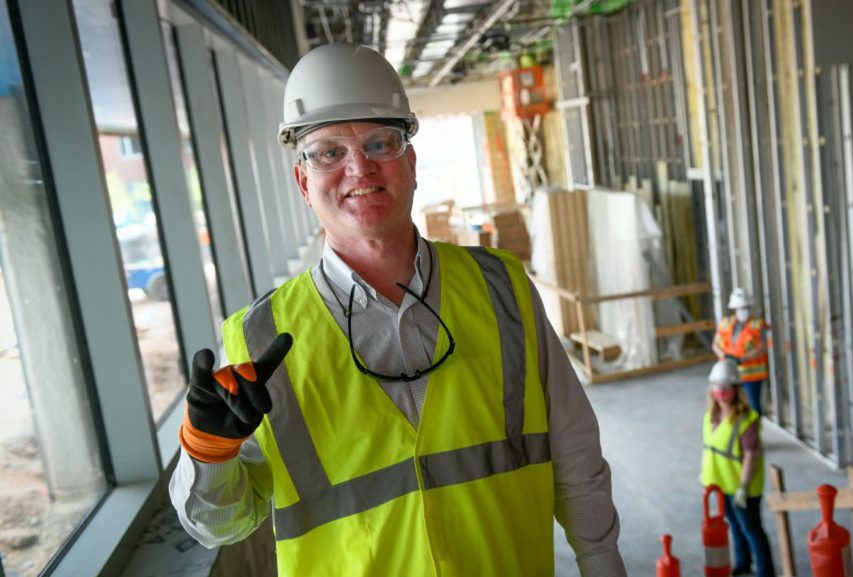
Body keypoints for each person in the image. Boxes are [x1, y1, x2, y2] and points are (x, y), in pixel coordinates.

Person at [169, 42, 626, 576]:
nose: (358, 168)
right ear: (302, 181)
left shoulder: (501, 288)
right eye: (328, 152)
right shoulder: (258, 338)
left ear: (410, 163)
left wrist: (602, 561)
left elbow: (574, 448)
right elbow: (222, 525)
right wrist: (207, 451)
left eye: (379, 143)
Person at [701, 360, 775, 577]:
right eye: (718, 387)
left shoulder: (745, 420)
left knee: (752, 530)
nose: (722, 392)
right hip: (722, 485)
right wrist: (705, 476)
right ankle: (743, 562)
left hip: (743, 487)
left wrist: (743, 487)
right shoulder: (710, 416)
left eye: (727, 387)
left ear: (736, 389)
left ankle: (765, 571)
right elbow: (710, 450)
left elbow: (752, 456)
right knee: (734, 526)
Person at [713, 287, 769, 416]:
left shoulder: (757, 325)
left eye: (746, 307)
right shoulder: (725, 324)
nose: (744, 311)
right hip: (730, 374)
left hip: (752, 375)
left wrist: (742, 359)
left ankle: (754, 432)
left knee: (754, 405)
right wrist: (725, 357)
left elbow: (762, 347)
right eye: (741, 308)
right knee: (733, 405)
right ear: (735, 309)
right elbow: (715, 345)